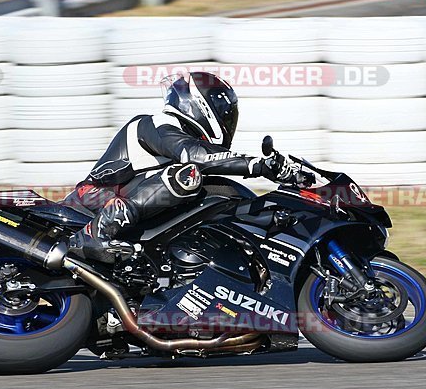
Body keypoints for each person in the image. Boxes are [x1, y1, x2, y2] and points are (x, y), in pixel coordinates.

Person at [65, 72, 308, 264]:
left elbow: (217, 177)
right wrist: (258, 165)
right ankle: (96, 233)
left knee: (224, 192)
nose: (228, 120)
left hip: (136, 207)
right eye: (225, 112)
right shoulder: (156, 124)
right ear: (201, 105)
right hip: (92, 198)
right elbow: (195, 155)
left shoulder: (181, 140)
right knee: (188, 176)